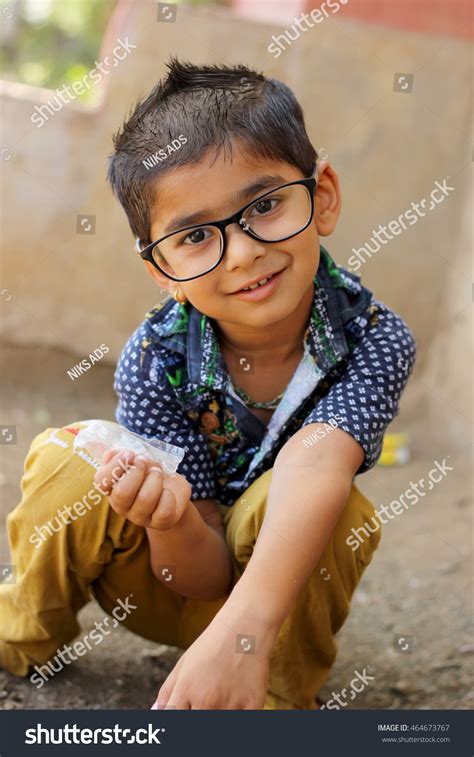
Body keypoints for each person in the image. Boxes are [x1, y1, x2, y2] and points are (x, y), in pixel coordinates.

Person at [0, 59, 416, 710]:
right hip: (166, 585)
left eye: (266, 204)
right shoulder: (156, 357)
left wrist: (245, 634)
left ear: (323, 194)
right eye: (195, 236)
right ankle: (22, 632)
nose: (245, 251)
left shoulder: (373, 337)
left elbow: (317, 457)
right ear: (161, 269)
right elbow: (199, 575)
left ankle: (271, 700)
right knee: (68, 460)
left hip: (275, 608)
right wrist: (167, 517)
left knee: (340, 505)